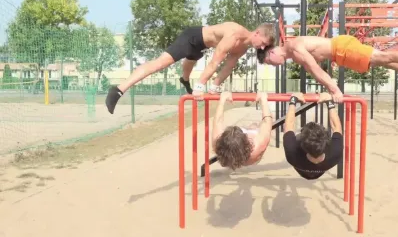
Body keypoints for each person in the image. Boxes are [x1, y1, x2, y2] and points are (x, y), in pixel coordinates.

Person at [105, 22, 275, 114]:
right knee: (160, 64)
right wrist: (200, 86)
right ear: (257, 33)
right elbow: (214, 63)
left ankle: (185, 80)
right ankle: (118, 90)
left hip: (201, 47)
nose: (261, 48)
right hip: (192, 38)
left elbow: (228, 67)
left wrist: (214, 87)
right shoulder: (234, 34)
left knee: (190, 63)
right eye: (263, 44)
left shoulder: (243, 47)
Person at [257, 35, 398, 102]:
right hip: (340, 53)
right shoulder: (293, 53)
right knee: (378, 60)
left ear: (272, 53)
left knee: (384, 56)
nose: (271, 65)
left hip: (342, 48)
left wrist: (334, 90)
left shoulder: (292, 48)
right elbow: (317, 68)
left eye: (268, 62)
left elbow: (316, 70)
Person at [282, 92, 343, 180]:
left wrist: (293, 100)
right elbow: (336, 126)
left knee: (297, 136)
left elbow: (289, 125)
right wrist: (329, 102)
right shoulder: (336, 153)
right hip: (321, 168)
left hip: (300, 167)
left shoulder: (292, 152)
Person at [212, 91, 273, 170]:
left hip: (229, 157)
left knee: (253, 127)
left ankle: (251, 127)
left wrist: (222, 99)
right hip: (252, 158)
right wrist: (263, 99)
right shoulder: (258, 146)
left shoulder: (217, 144)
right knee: (255, 127)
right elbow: (267, 120)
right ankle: (252, 127)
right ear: (246, 140)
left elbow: (218, 121)